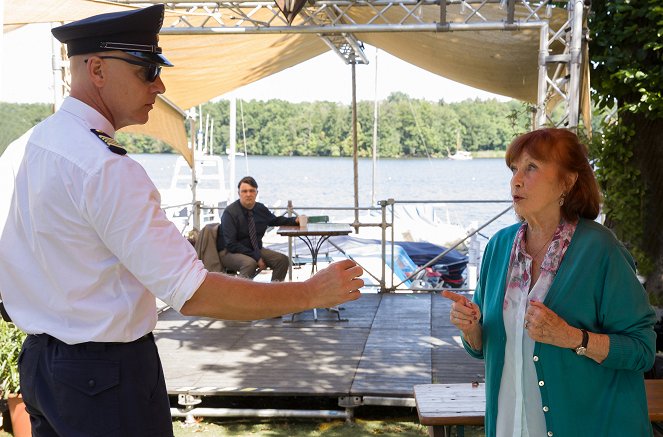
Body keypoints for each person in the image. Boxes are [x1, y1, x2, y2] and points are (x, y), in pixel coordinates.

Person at [0, 5, 363, 437]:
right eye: (146, 70)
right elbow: (193, 292)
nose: (160, 84)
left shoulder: (20, 152)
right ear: (96, 69)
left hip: (41, 366)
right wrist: (309, 292)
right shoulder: (104, 167)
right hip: (105, 375)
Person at [442, 128, 656, 436]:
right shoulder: (499, 247)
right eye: (515, 169)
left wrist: (571, 337)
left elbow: (642, 349)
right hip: (509, 426)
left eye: (532, 168)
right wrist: (471, 326)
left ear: (567, 181)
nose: (516, 180)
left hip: (591, 425)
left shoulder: (600, 250)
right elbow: (482, 348)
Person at [219, 176, 301, 281]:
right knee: (250, 264)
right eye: (244, 191)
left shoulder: (260, 208)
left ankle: (273, 293)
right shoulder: (230, 213)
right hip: (229, 252)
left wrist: (295, 221)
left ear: (256, 193)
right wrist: (256, 257)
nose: (248, 194)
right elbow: (231, 244)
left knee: (282, 260)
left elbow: (274, 220)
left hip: (255, 248)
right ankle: (239, 294)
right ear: (239, 193)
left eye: (251, 191)